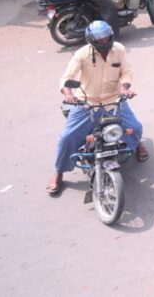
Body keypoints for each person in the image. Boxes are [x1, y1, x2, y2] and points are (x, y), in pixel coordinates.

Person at [47, 21, 146, 196]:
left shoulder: (119, 49)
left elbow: (126, 72)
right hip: (87, 102)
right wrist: (68, 94)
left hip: (113, 100)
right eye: (100, 38)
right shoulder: (82, 54)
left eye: (106, 36)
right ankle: (59, 171)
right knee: (67, 138)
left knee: (135, 128)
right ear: (91, 39)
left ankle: (136, 145)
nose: (104, 40)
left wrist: (125, 88)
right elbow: (67, 77)